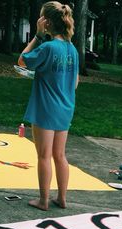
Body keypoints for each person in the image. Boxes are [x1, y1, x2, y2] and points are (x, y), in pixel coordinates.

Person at [18, 2, 79, 211]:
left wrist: (36, 35)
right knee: (60, 155)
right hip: (65, 107)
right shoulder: (72, 49)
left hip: (46, 107)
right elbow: (76, 82)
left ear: (47, 22)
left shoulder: (47, 47)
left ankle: (43, 200)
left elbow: (22, 60)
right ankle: (62, 198)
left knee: (43, 155)